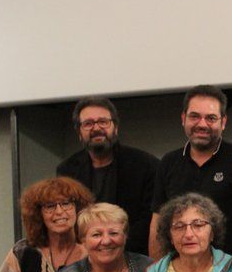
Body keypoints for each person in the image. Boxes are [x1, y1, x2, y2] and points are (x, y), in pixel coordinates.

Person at [150, 85, 232, 269]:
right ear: (183, 118)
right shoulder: (168, 163)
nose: (202, 124)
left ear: (223, 122)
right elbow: (157, 226)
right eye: (194, 116)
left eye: (211, 118)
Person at [57, 96, 159, 255]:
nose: (96, 128)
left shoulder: (146, 165)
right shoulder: (67, 170)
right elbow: (67, 218)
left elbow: (150, 219)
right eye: (88, 123)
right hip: (85, 256)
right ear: (79, 132)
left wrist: (113, 246)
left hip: (133, 255)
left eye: (103, 122)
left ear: (115, 127)